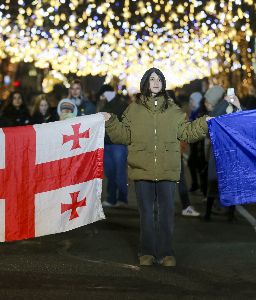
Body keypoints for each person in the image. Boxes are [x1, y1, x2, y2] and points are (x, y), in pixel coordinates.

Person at [102, 68, 210, 267]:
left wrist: (204, 123)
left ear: (163, 83)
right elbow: (123, 136)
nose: (156, 81)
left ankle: (166, 253)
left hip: (167, 170)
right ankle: (147, 252)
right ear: (145, 83)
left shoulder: (174, 110)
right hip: (142, 169)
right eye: (152, 78)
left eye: (159, 78)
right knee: (146, 214)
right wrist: (111, 122)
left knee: (166, 214)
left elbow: (187, 133)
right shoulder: (133, 110)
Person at [203, 86, 242, 222]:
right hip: (231, 151)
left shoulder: (216, 110)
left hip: (218, 151)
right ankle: (230, 214)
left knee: (214, 183)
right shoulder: (233, 105)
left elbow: (208, 131)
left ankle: (208, 213)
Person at [97, 84, 129, 208]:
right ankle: (111, 198)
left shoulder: (121, 104)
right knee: (110, 173)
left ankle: (121, 197)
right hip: (106, 143)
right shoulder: (102, 104)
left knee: (119, 173)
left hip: (118, 144)